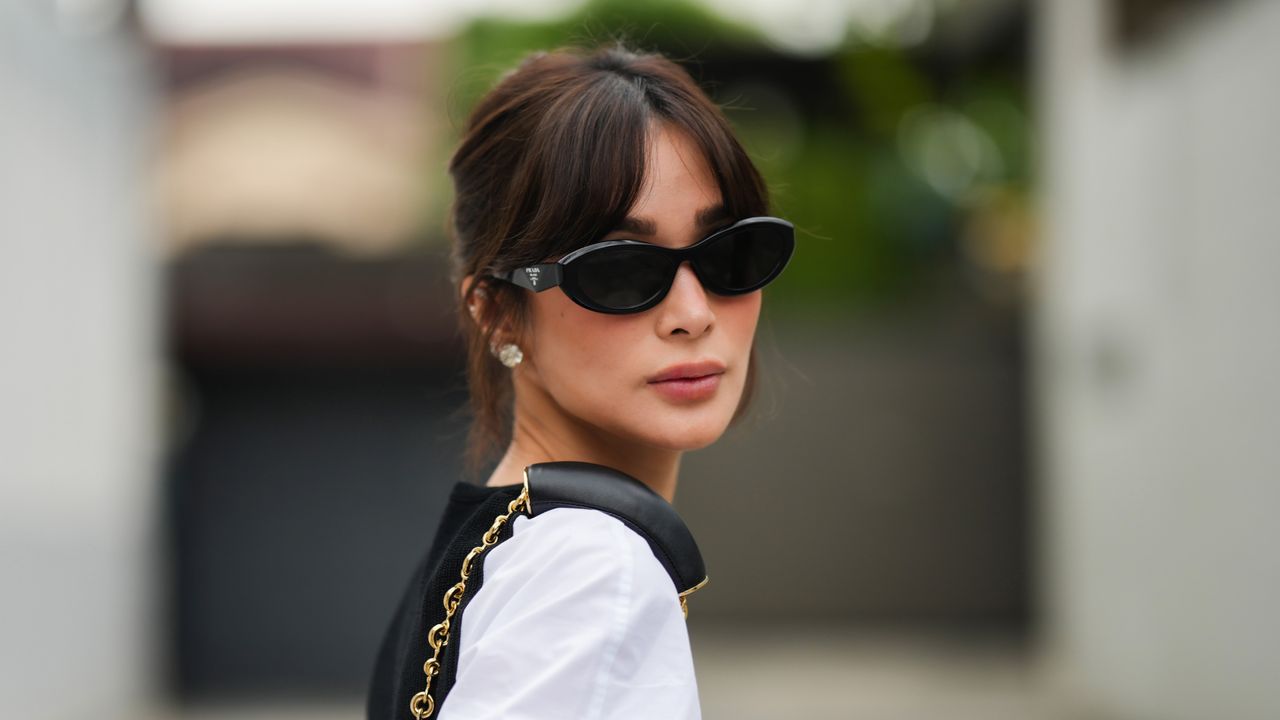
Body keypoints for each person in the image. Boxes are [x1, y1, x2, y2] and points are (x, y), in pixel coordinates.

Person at [365, 39, 795, 720]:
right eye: (621, 269)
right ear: (499, 312)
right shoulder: (593, 573)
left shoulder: (493, 552)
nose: (692, 313)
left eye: (731, 254)